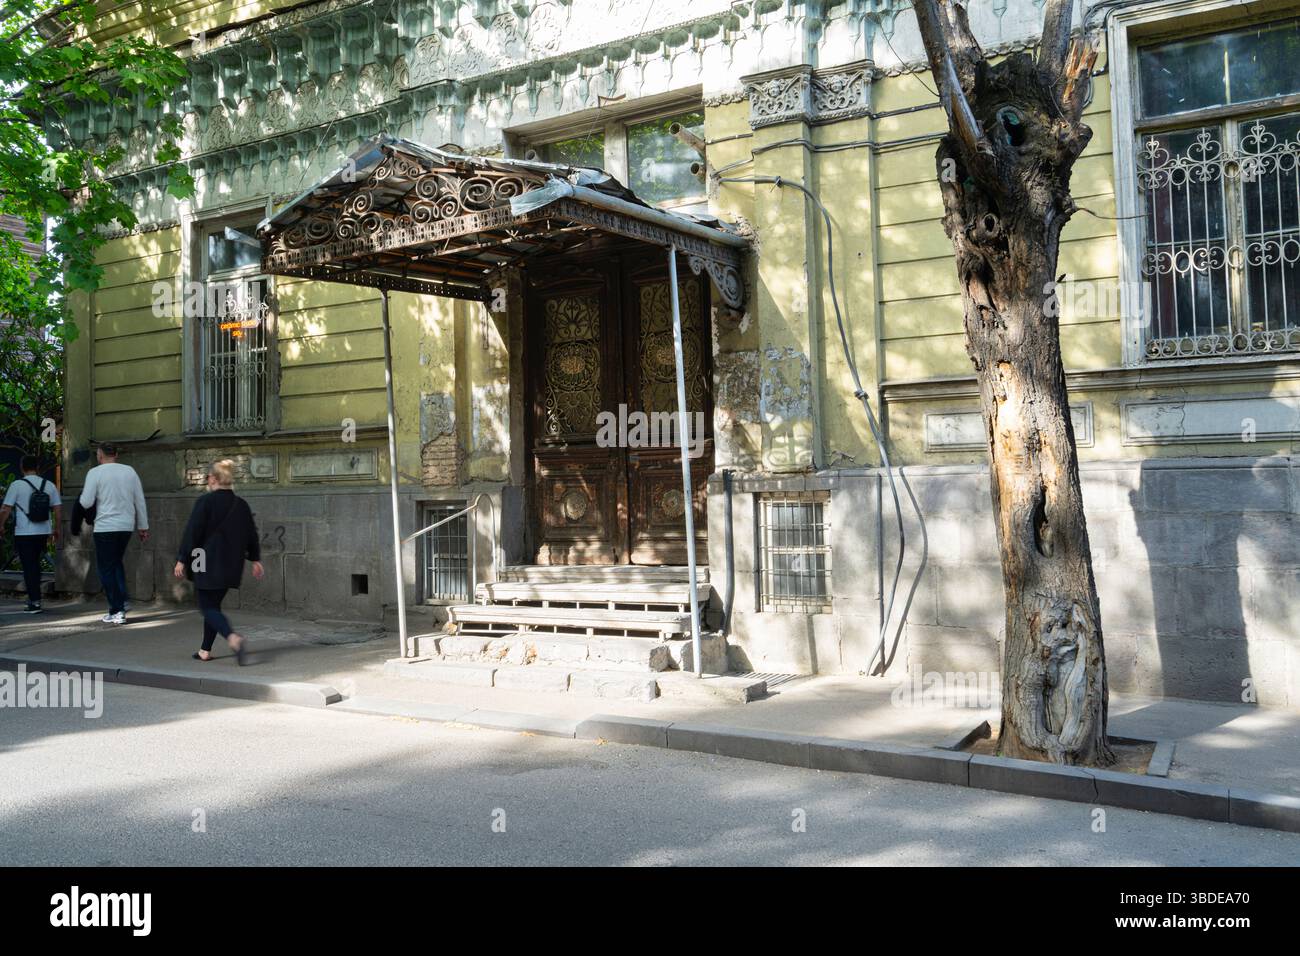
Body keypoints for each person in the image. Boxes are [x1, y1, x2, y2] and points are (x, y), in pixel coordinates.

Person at [174, 459, 263, 664]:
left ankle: (233, 637)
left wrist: (182, 559)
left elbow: (192, 533)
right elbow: (251, 534)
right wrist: (256, 559)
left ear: (212, 479)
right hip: (232, 564)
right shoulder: (241, 504)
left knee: (207, 607)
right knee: (213, 605)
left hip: (203, 560)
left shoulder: (205, 502)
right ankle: (205, 650)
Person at [79, 443, 149, 625]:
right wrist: (143, 526)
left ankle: (116, 610)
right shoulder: (130, 471)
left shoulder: (95, 473)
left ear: (99, 455)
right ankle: (122, 601)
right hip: (126, 525)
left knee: (105, 569)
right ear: (116, 454)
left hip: (105, 526)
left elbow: (86, 502)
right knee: (116, 562)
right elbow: (139, 500)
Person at [1, 455, 63, 613]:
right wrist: (57, 529)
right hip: (43, 531)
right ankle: (36, 598)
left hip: (24, 532)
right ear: (37, 467)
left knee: (29, 566)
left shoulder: (17, 485)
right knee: (35, 563)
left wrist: (0, 525)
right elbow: (57, 508)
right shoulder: (49, 485)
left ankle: (34, 601)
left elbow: (5, 509)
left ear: (22, 467)